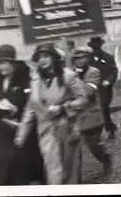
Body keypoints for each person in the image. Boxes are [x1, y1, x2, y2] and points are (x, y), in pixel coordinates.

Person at [14, 43, 90, 185]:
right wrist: (21, 135)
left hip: (67, 129)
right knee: (53, 172)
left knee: (70, 171)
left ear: (54, 58)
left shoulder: (68, 76)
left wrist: (64, 107)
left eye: (46, 56)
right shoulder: (35, 80)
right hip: (45, 132)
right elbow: (30, 108)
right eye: (39, 57)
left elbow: (83, 99)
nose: (42, 60)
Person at [0, 45, 45, 185]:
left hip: (21, 130)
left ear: (13, 64)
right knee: (4, 170)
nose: (1, 67)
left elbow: (28, 104)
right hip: (2, 132)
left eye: (4, 63)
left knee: (23, 170)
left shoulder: (24, 80)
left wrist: (10, 108)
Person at [71, 46, 112, 178]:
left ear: (87, 58)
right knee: (75, 151)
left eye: (82, 58)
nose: (80, 61)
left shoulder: (94, 72)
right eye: (77, 58)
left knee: (94, 147)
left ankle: (106, 159)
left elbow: (87, 92)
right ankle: (75, 177)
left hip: (91, 117)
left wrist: (73, 78)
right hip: (74, 117)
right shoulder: (69, 73)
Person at [88, 36, 119, 139]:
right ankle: (100, 130)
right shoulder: (88, 59)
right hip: (91, 89)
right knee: (94, 110)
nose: (96, 50)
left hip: (104, 89)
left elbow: (114, 71)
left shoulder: (108, 58)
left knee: (104, 108)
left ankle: (109, 128)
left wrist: (108, 81)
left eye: (97, 48)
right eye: (94, 48)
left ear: (101, 46)